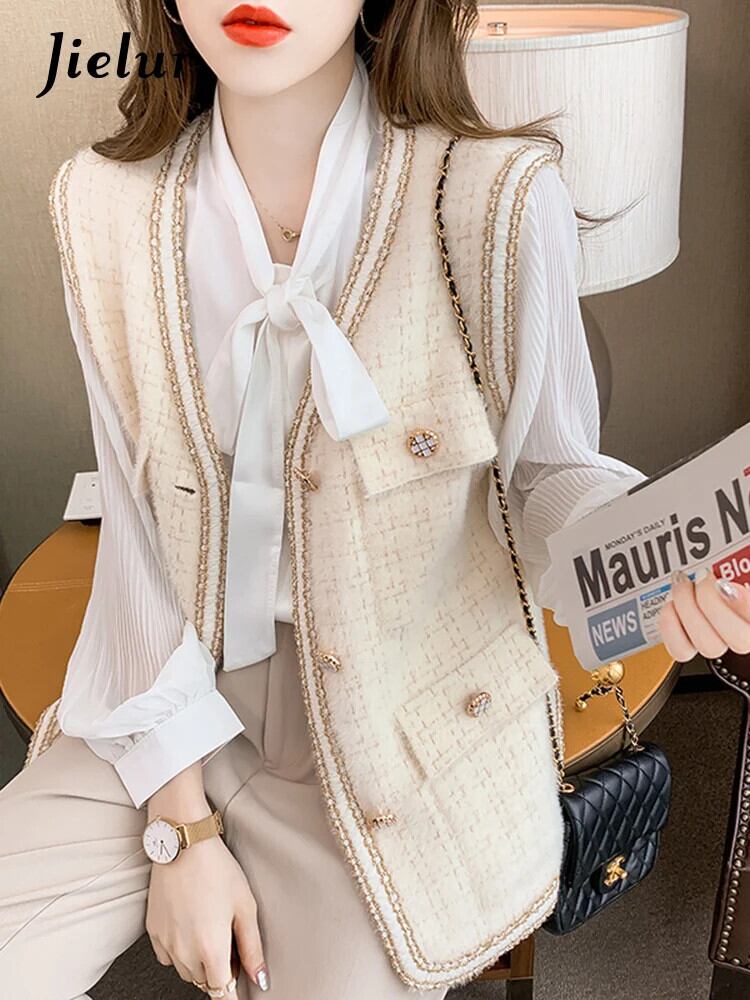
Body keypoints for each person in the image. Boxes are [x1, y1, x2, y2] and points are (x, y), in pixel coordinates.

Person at [2, 2, 750, 999]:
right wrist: (181, 829)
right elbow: (135, 544)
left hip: (393, 723)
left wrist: (653, 557)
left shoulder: (492, 199)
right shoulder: (105, 207)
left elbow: (546, 475)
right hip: (164, 697)